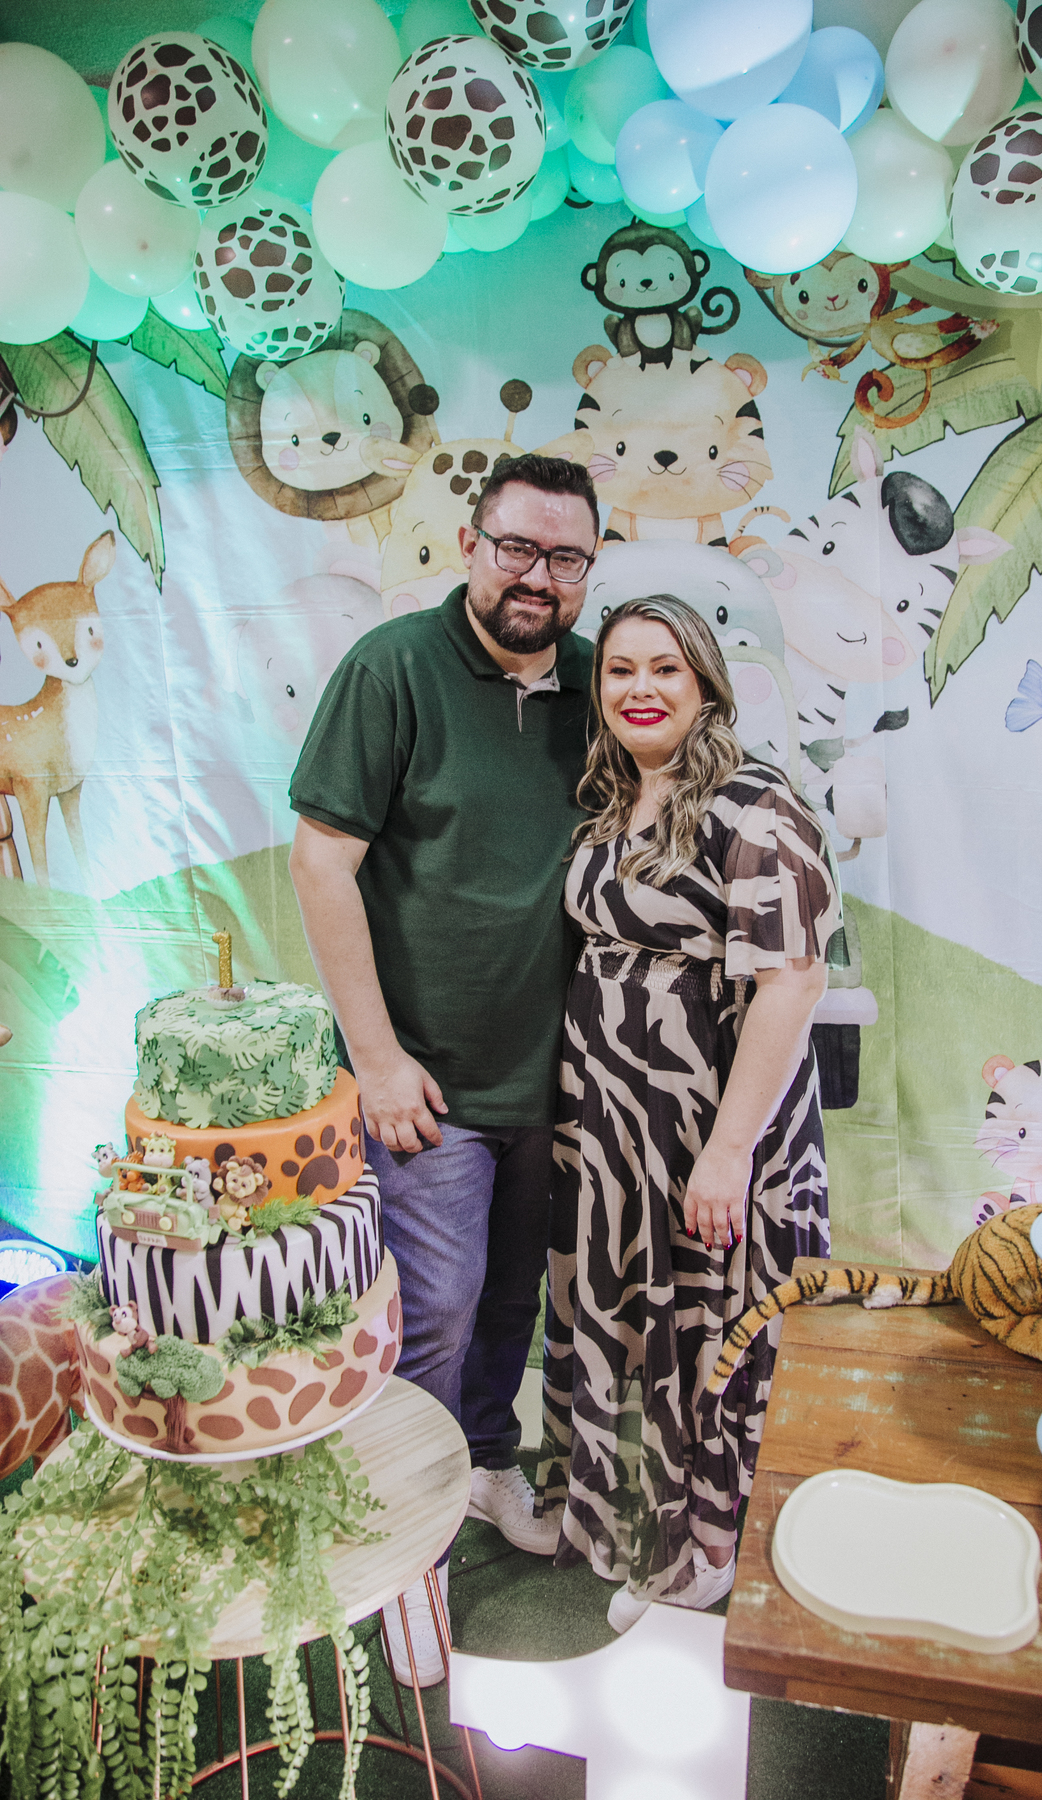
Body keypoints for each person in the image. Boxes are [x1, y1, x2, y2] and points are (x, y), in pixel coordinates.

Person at [288, 452, 599, 1682]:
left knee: (515, 1303)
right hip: (427, 1083)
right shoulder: (394, 669)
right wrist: (376, 1059)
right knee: (437, 1312)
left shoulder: (602, 683)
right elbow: (322, 862)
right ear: (471, 544)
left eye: (565, 558)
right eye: (516, 547)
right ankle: (401, 1560)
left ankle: (484, 1468)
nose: (536, 576)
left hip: (559, 1080)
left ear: (587, 570)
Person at [536, 594, 841, 1633]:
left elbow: (793, 984)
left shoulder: (756, 807)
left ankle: (707, 1543)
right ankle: (629, 1517)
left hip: (709, 1129)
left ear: (705, 682)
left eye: (665, 668)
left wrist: (726, 1154)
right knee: (626, 1320)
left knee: (706, 1323)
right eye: (620, 670)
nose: (641, 689)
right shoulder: (613, 797)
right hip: (613, 1132)